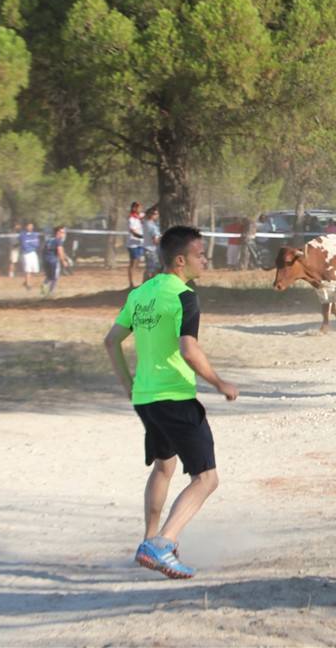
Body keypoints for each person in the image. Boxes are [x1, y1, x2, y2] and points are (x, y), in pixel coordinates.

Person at [103, 226, 239, 579]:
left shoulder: (141, 294)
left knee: (164, 467)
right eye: (199, 254)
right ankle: (162, 544)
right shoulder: (184, 295)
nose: (205, 259)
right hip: (175, 397)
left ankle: (148, 541)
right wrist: (219, 381)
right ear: (181, 260)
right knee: (206, 478)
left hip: (146, 398)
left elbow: (111, 340)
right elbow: (188, 348)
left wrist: (128, 384)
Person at [42, 226, 72, 296]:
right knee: (55, 278)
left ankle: (43, 291)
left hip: (46, 260)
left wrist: (66, 257)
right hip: (53, 261)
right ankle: (50, 292)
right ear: (58, 232)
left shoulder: (49, 240)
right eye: (62, 232)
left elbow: (43, 250)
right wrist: (63, 261)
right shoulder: (58, 240)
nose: (64, 234)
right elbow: (60, 251)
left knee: (48, 277)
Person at [127, 201, 145, 288]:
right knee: (133, 263)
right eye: (139, 207)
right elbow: (133, 232)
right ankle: (131, 283)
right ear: (134, 208)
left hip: (140, 244)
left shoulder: (140, 216)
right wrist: (143, 236)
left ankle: (135, 281)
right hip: (133, 244)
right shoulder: (131, 219)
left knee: (138, 262)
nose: (140, 209)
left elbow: (148, 213)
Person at [19, 222, 41, 289]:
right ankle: (28, 284)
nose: (31, 227)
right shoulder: (23, 235)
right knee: (28, 269)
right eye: (29, 226)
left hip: (33, 253)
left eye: (32, 226)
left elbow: (37, 244)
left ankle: (26, 281)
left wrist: (31, 243)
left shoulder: (35, 234)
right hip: (26, 253)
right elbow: (24, 245)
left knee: (34, 270)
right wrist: (32, 244)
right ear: (26, 227)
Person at [143, 207, 162, 280]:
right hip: (152, 250)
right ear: (151, 214)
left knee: (149, 269)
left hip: (148, 249)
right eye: (156, 214)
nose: (157, 215)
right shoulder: (152, 226)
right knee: (153, 270)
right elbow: (155, 241)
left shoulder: (146, 223)